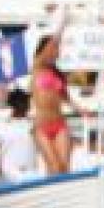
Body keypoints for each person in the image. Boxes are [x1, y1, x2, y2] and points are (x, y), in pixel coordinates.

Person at [30, 34, 74, 175]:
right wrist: (55, 38)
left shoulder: (58, 73)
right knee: (53, 166)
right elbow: (42, 55)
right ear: (42, 50)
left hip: (60, 124)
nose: (55, 50)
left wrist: (82, 110)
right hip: (42, 125)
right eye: (52, 47)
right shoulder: (37, 67)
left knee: (63, 168)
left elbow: (66, 98)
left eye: (56, 48)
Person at [0, 88, 39, 188]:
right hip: (7, 173)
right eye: (26, 103)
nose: (29, 106)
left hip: (29, 172)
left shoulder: (33, 124)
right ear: (17, 104)